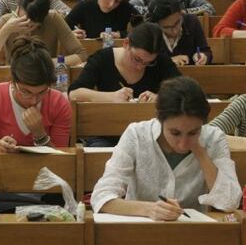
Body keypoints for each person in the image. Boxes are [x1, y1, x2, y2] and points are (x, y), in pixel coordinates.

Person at [91, 76, 242, 219]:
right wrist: (148, 209)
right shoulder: (137, 135)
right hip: (140, 232)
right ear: (159, 118)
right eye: (175, 133)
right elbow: (101, 196)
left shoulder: (214, 138)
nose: (183, 143)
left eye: (193, 132)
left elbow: (229, 202)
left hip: (192, 233)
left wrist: (200, 152)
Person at [0, 37, 71, 152]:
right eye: (26, 92)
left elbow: (61, 157)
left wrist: (40, 135)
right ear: (13, 82)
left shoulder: (59, 102)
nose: (34, 100)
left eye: (42, 92)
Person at [69, 22, 180, 103]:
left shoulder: (161, 61)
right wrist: (112, 97)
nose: (140, 67)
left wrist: (160, 98)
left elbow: (185, 92)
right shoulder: (103, 58)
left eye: (148, 63)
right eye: (137, 59)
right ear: (126, 43)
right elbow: (74, 93)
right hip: (106, 128)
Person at [0, 0, 86, 67]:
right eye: (18, 17)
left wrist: (46, 63)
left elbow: (81, 55)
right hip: (14, 79)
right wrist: (5, 30)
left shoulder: (52, 18)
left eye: (29, 24)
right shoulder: (6, 21)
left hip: (45, 77)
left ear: (41, 21)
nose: (22, 24)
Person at [146, 0, 212, 66]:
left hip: (190, 75)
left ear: (181, 13)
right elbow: (146, 63)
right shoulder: (148, 31)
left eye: (177, 23)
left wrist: (203, 56)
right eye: (167, 27)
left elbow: (205, 50)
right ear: (156, 24)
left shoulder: (192, 22)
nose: (175, 31)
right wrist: (169, 61)